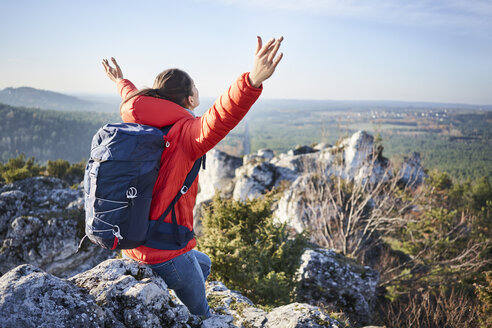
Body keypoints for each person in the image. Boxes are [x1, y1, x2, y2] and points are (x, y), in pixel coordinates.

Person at [101, 36, 284, 318]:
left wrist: (120, 81)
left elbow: (135, 100)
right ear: (190, 99)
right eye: (195, 88)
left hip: (132, 240)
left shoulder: (141, 123)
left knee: (205, 264)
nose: (198, 92)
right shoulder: (186, 133)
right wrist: (252, 80)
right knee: (204, 317)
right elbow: (221, 114)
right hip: (165, 250)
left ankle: (167, 294)